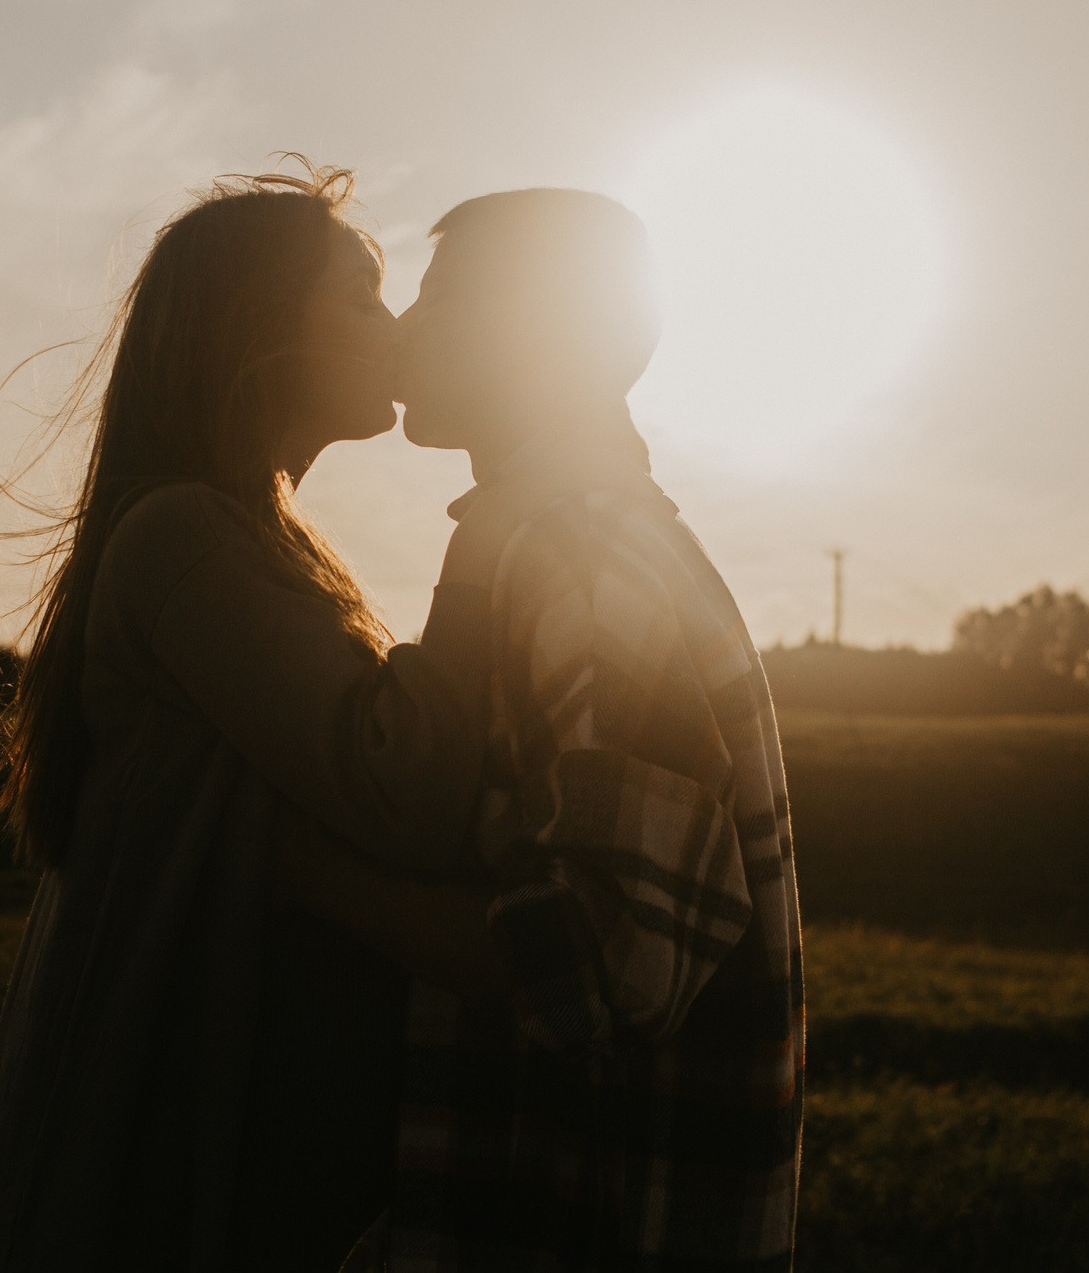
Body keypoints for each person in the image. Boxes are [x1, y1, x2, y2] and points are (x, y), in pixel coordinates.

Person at [0, 164, 492, 1273]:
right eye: (361, 294)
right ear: (258, 331)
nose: (392, 326)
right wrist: (497, 531)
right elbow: (403, 784)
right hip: (146, 1157)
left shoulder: (248, 540)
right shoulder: (184, 539)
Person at [278, 188, 805, 1272]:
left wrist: (309, 877)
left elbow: (604, 959)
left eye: (442, 297)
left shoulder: (585, 555)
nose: (407, 328)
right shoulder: (545, 540)